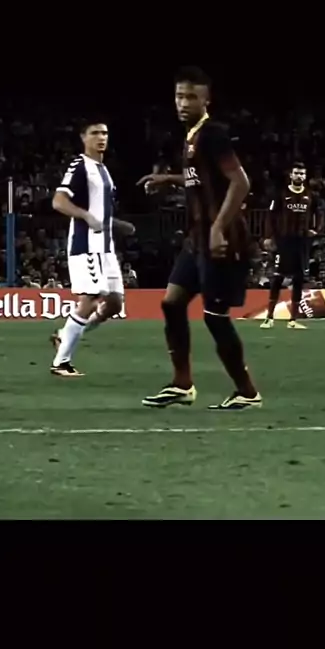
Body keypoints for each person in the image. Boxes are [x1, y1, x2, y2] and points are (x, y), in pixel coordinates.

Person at [137, 67, 261, 411]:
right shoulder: (192, 137)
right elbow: (201, 178)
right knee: (171, 303)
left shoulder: (213, 134)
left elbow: (240, 182)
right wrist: (170, 180)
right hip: (197, 239)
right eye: (179, 96)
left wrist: (219, 228)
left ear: (206, 100)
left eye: (191, 97)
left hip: (222, 239)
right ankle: (182, 384)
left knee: (214, 316)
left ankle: (248, 392)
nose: (183, 103)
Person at [50, 120, 135, 376]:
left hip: (105, 247)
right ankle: (61, 363)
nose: (101, 137)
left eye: (105, 133)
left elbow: (100, 211)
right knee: (89, 299)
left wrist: (117, 224)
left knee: (114, 304)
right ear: (83, 137)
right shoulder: (80, 165)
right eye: (95, 133)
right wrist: (85, 216)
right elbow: (59, 201)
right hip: (86, 245)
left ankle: (64, 335)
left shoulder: (103, 169)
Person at [261, 162, 322, 329]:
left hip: (301, 241)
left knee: (298, 278)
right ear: (291, 175)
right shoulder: (280, 194)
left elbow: (319, 213)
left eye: (302, 174)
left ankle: (293, 320)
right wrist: (268, 236)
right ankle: (269, 318)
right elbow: (270, 215)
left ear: (305, 176)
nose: (299, 176)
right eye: (296, 173)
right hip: (283, 240)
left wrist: (315, 229)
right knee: (278, 277)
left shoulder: (311, 195)